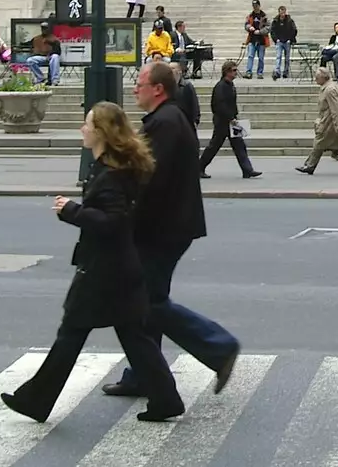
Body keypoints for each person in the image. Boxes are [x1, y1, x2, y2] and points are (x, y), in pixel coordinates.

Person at [2, 101, 184, 424]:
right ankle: (166, 398)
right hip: (118, 269)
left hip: (104, 272)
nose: (82, 130)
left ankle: (36, 400)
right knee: (134, 337)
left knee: (71, 333)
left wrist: (70, 210)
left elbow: (113, 222)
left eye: (87, 124)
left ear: (101, 132)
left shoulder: (112, 174)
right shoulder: (112, 166)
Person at [100, 61, 241, 403]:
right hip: (168, 225)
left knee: (147, 302)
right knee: (146, 301)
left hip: (162, 228)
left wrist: (122, 215)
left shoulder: (165, 122)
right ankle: (143, 374)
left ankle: (218, 346)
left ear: (158, 89)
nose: (135, 89)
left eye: (141, 83)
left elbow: (150, 179)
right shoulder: (167, 119)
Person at [199, 60, 260, 179]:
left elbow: (231, 103)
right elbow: (218, 105)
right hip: (222, 122)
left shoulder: (230, 85)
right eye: (234, 70)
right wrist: (230, 117)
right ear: (226, 72)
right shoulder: (221, 86)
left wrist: (235, 116)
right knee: (214, 146)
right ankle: (199, 167)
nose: (236, 72)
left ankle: (247, 170)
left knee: (239, 145)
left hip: (231, 121)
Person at [296, 67, 338, 175]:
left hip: (329, 122)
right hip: (329, 121)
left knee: (319, 143)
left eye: (317, 77)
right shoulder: (329, 87)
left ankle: (310, 165)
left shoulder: (329, 90)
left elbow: (335, 109)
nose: (315, 79)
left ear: (323, 78)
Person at [244, 0, 270, 79]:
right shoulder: (250, 15)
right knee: (250, 56)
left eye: (256, 6)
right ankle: (249, 72)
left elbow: (268, 27)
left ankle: (260, 73)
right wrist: (249, 27)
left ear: (259, 6)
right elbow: (246, 24)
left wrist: (260, 32)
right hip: (252, 39)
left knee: (261, 58)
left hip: (261, 40)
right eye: (253, 6)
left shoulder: (264, 16)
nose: (255, 7)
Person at [171, 61, 202, 129]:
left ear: (179, 71)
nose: (170, 71)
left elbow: (194, 103)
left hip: (185, 122)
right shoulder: (165, 86)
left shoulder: (187, 86)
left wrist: (196, 120)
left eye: (172, 68)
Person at [270, 6, 298, 80]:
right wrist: (276, 40)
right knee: (278, 57)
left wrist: (290, 39)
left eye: (284, 12)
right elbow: (272, 31)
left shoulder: (289, 21)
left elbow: (294, 30)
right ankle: (277, 71)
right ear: (279, 12)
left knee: (287, 58)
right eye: (281, 12)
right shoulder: (276, 20)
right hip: (279, 41)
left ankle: (286, 72)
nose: (282, 14)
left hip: (287, 41)